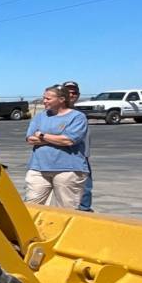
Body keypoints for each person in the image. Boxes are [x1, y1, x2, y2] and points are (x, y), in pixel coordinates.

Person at [24, 85, 89, 208]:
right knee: (31, 206)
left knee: (66, 208)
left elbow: (68, 140)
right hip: (38, 168)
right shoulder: (40, 117)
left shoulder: (77, 117)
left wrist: (43, 135)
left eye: (48, 99)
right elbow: (31, 138)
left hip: (68, 170)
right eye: (44, 98)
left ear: (62, 99)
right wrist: (56, 138)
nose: (44, 101)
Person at [61, 79, 93, 210]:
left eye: (74, 92)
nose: (71, 94)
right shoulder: (53, 114)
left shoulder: (80, 114)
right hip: (60, 158)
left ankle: (84, 214)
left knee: (85, 191)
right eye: (68, 92)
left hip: (82, 157)